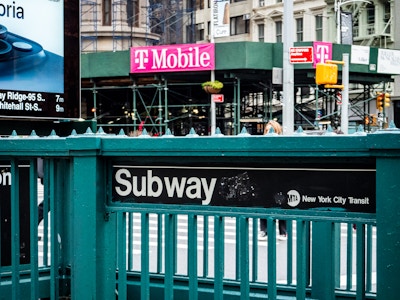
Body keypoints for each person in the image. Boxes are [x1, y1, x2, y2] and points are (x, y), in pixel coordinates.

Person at [259, 120, 287, 241]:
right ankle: (264, 230)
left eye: (271, 130)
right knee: (264, 203)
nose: (268, 132)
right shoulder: (261, 144)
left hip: (279, 179)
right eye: (266, 130)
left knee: (280, 203)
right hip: (265, 179)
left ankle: (283, 231)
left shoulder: (282, 144)